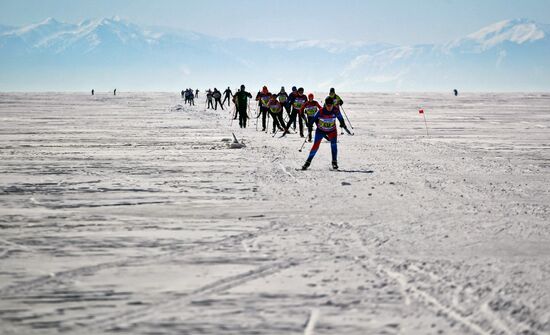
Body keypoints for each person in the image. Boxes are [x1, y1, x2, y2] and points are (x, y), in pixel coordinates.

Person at [301, 96, 349, 170]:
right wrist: (310, 125)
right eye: (327, 105)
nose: (329, 107)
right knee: (315, 146)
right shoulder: (321, 111)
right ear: (325, 104)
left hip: (332, 131)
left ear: (333, 104)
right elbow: (313, 119)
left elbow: (341, 118)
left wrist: (342, 123)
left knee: (334, 145)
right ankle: (308, 162)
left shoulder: (336, 110)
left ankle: (334, 162)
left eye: (331, 105)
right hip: (320, 131)